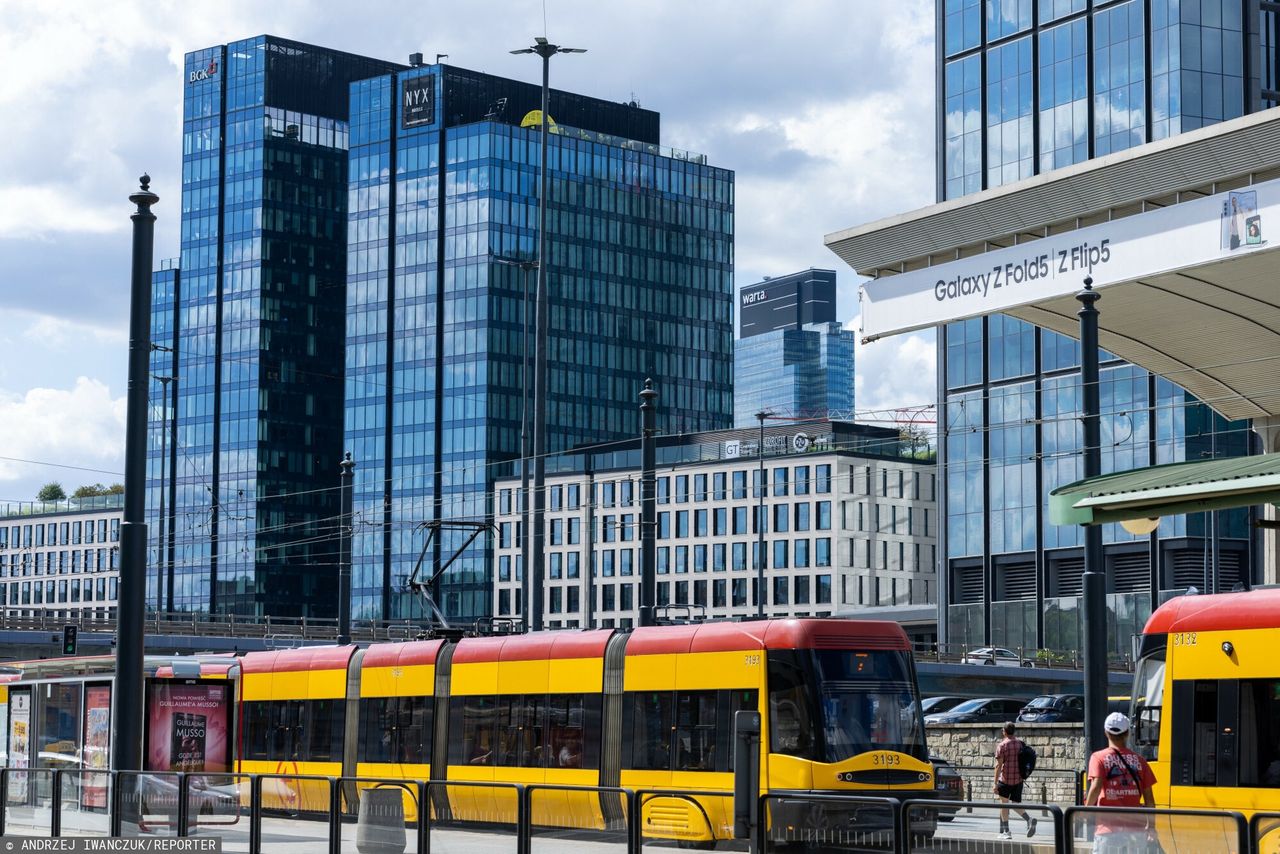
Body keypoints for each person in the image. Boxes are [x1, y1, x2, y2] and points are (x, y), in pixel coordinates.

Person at [1085, 712, 1157, 853]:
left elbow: (1096, 786)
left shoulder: (1098, 757)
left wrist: (1085, 810)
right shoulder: (1140, 760)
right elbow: (1150, 800)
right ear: (1127, 733)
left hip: (1108, 829)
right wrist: (1152, 826)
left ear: (1106, 733)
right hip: (1135, 830)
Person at [993, 722, 1037, 840]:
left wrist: (995, 783)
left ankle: (1006, 831)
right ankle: (1029, 819)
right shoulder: (1020, 744)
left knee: (1004, 805)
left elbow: (998, 766)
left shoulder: (1002, 746)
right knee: (1015, 804)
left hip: (1006, 779)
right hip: (1018, 779)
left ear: (1005, 731)